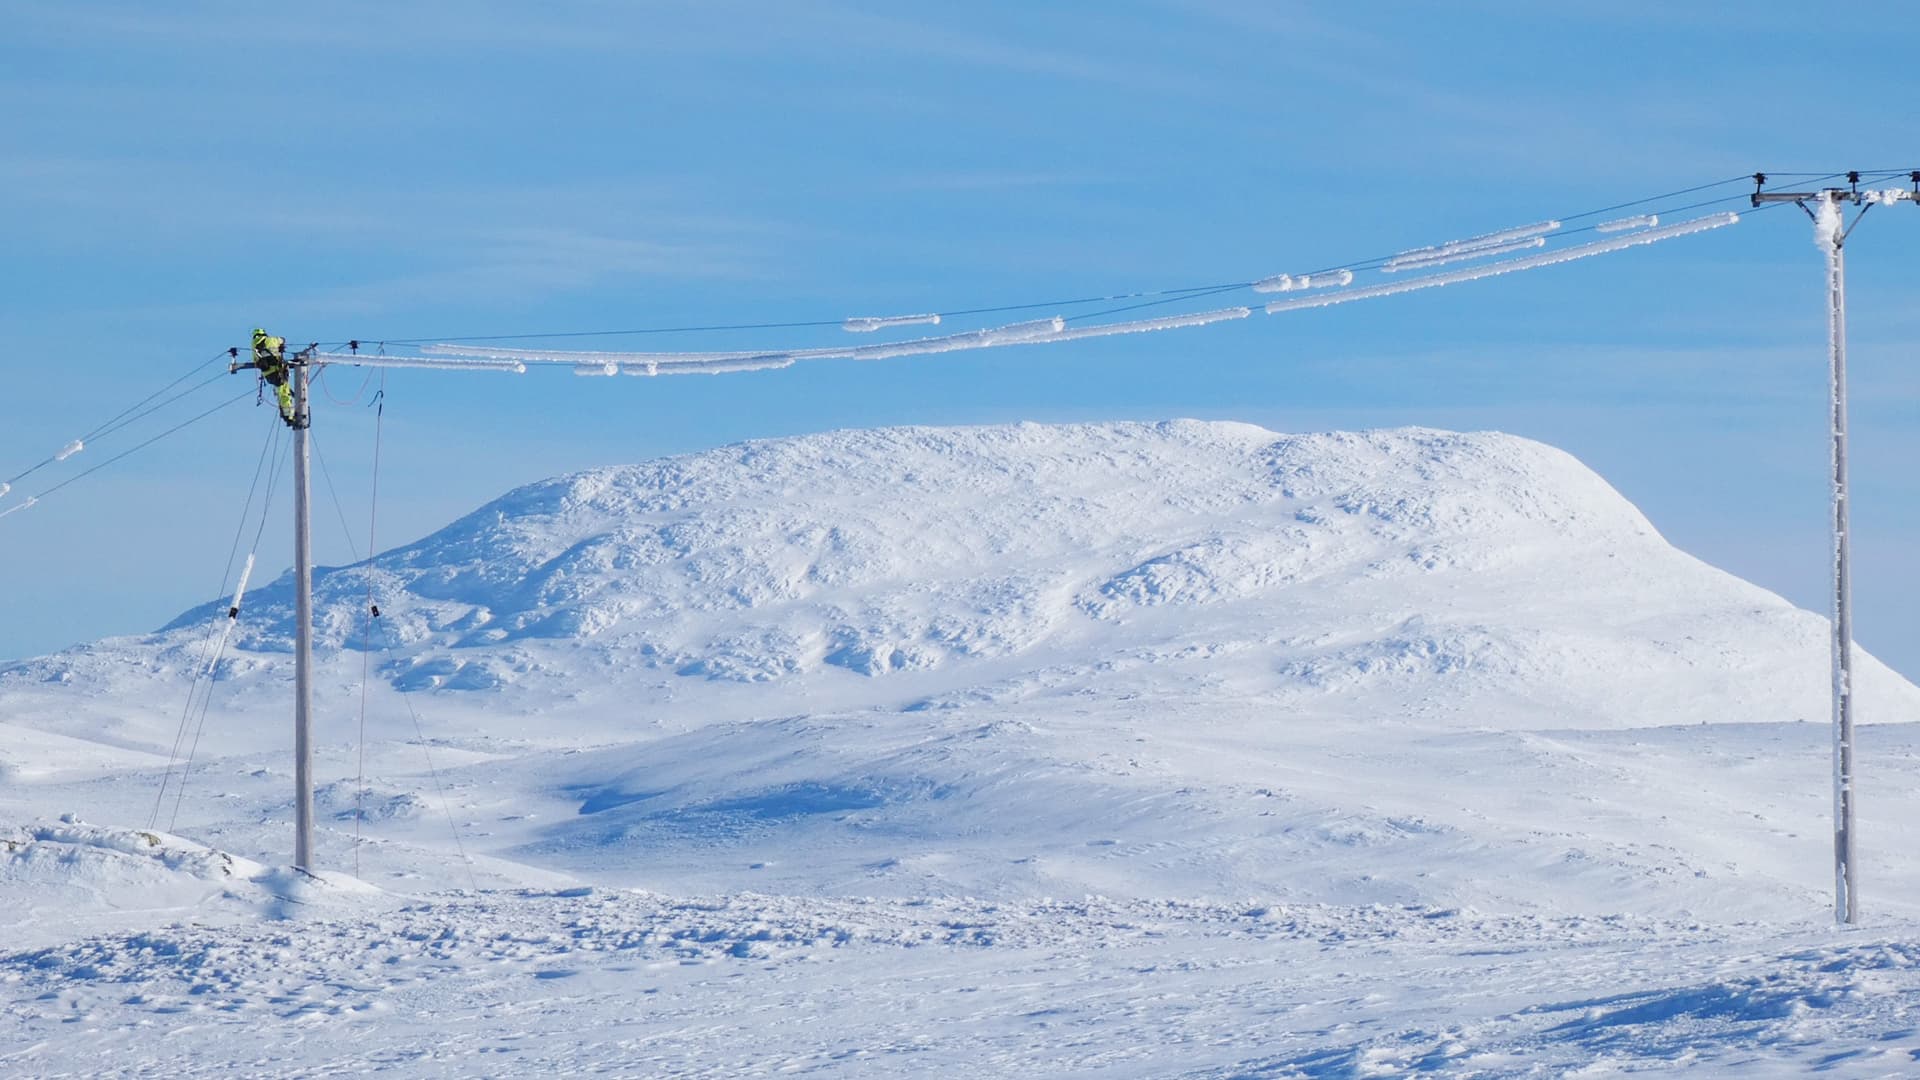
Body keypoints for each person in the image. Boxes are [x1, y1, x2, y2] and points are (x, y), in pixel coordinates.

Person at [251, 328, 295, 425]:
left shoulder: (254, 347)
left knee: (280, 392)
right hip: (278, 371)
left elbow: (255, 361)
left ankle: (286, 414)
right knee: (284, 393)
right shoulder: (271, 340)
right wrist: (281, 344)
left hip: (268, 375)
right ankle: (289, 416)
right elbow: (282, 339)